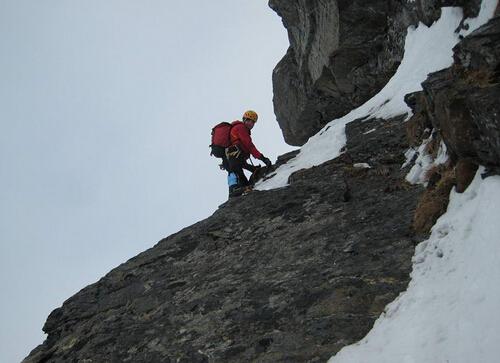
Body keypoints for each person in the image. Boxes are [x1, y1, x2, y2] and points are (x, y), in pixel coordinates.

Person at [226, 110, 272, 197]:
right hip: (235, 155)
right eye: (249, 120)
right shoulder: (241, 128)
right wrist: (263, 158)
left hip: (234, 156)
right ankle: (234, 189)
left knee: (238, 175)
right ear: (244, 119)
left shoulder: (238, 128)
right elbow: (249, 146)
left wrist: (252, 169)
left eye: (253, 122)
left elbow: (242, 163)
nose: (251, 123)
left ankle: (236, 189)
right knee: (236, 173)